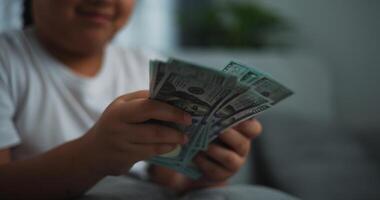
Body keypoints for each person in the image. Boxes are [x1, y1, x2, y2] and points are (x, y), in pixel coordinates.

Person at [0, 0, 297, 199]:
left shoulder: (148, 64)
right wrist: (92, 156)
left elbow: (167, 182)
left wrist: (207, 174)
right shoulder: (7, 60)